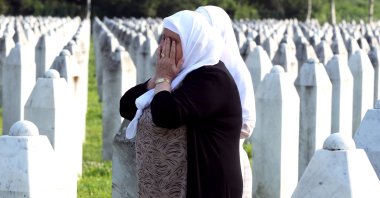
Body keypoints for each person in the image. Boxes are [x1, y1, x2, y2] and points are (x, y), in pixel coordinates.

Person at [120, 10, 243, 198]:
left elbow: (166, 115)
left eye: (173, 42)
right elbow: (127, 106)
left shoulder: (213, 79)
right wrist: (156, 81)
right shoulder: (179, 76)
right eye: (163, 39)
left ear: (193, 43)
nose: (163, 48)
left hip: (208, 186)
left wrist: (164, 79)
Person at [195, 5, 256, 198]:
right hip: (195, 159)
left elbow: (247, 123)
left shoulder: (236, 70)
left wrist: (212, 127)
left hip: (226, 158)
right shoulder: (194, 67)